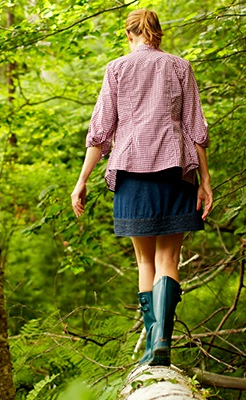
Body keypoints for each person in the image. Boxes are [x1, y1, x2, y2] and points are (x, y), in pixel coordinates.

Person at [70, 9, 213, 367]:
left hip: (131, 172)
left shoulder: (116, 69)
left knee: (145, 260)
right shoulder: (180, 67)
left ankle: (152, 345)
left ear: (128, 34)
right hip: (175, 172)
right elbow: (196, 128)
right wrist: (206, 181)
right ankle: (164, 339)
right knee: (168, 258)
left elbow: (100, 133)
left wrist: (82, 180)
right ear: (159, 35)